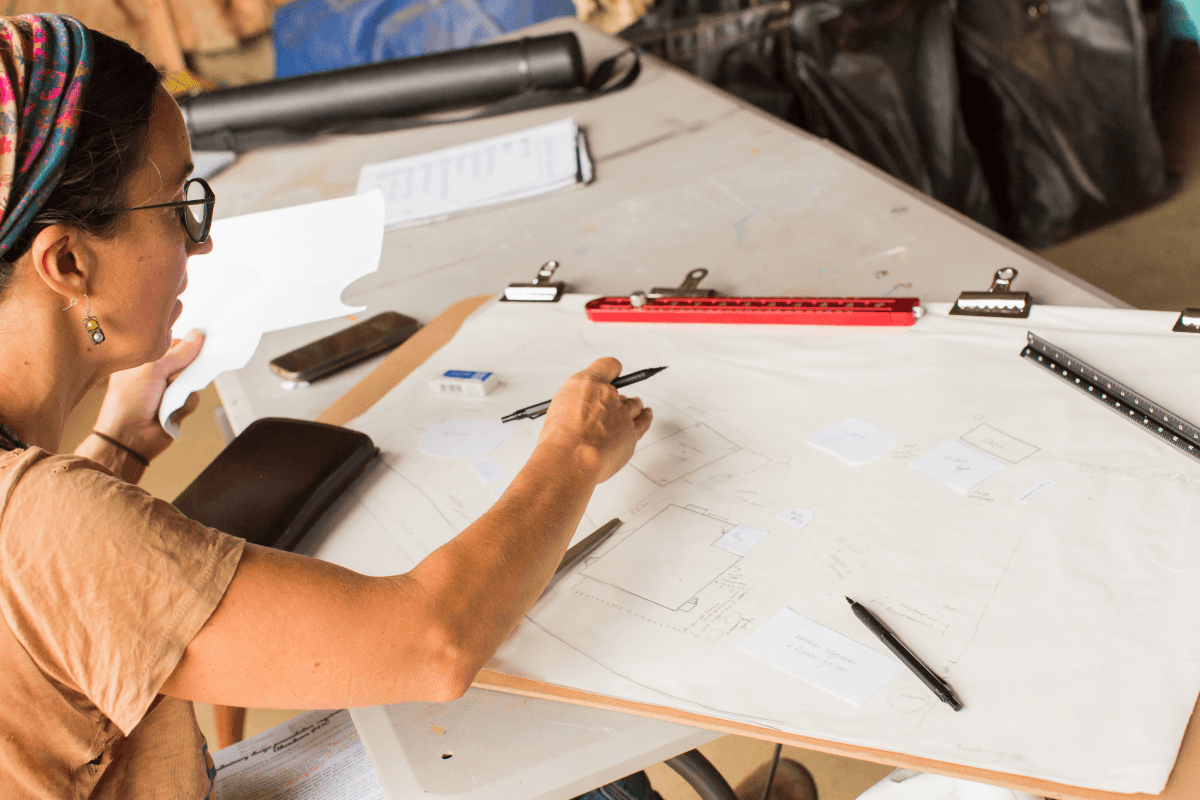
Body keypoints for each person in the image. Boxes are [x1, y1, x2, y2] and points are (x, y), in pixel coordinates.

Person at [0, 14, 656, 798]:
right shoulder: (51, 528)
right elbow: (432, 641)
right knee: (550, 730)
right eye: (177, 204)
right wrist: (573, 453)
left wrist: (118, 449)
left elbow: (46, 605)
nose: (199, 244)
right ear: (69, 261)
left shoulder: (41, 518)